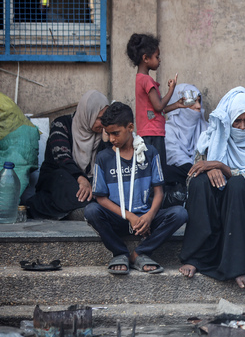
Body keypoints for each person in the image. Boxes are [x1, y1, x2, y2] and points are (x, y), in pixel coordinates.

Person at [178, 87, 245, 288]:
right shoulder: (214, 135)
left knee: (237, 185)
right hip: (218, 193)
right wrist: (209, 166)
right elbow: (198, 165)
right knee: (199, 183)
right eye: (237, 121)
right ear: (228, 120)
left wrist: (219, 165)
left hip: (243, 198)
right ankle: (196, 257)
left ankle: (238, 265)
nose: (242, 126)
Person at [84, 102, 188, 275]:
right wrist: (130, 216)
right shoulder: (104, 157)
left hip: (145, 220)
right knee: (91, 210)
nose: (111, 139)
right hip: (118, 218)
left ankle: (139, 253)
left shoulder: (150, 152)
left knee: (180, 214)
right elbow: (101, 198)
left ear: (130, 127)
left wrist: (149, 216)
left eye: (115, 133)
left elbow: (159, 192)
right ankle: (120, 252)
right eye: (108, 134)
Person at [27, 90, 109, 220]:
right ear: (88, 114)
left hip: (90, 182)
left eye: (106, 118)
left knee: (104, 186)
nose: (104, 123)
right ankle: (38, 207)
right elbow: (62, 158)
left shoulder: (104, 135)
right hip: (60, 178)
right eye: (99, 119)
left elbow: (108, 164)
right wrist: (81, 179)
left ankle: (75, 211)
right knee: (67, 184)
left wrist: (108, 141)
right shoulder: (61, 124)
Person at [126, 33, 187, 165]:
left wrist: (176, 105)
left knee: (149, 170)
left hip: (147, 132)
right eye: (157, 57)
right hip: (153, 133)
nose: (159, 60)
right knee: (158, 170)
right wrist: (172, 89)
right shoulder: (147, 80)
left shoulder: (140, 79)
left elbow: (156, 108)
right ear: (146, 58)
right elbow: (159, 106)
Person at [162, 83, 207, 206]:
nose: (198, 107)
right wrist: (197, 169)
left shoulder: (206, 128)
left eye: (199, 101)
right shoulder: (167, 130)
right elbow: (175, 156)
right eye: (192, 103)